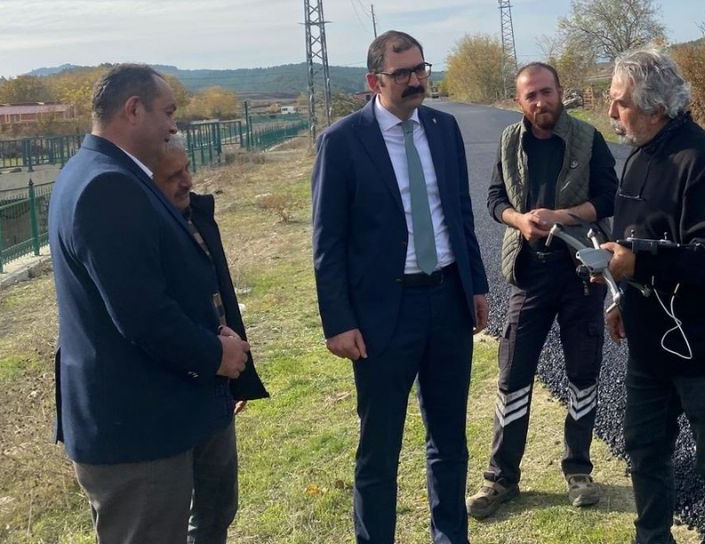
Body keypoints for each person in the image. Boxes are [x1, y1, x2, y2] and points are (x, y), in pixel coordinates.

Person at [49, 64, 251, 544]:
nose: (173, 126)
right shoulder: (107, 186)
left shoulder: (109, 174)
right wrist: (215, 354)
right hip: (137, 429)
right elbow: (141, 313)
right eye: (168, 112)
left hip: (165, 412)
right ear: (133, 110)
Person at [311, 30, 490, 544]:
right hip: (383, 313)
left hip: (447, 301)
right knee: (379, 448)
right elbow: (328, 241)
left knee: (450, 439)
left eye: (420, 69)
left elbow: (459, 213)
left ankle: (450, 536)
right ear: (375, 81)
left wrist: (476, 286)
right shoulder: (343, 142)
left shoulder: (443, 128)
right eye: (402, 73)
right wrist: (338, 321)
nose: (415, 80)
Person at [599, 49, 705, 544]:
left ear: (655, 107)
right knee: (644, 449)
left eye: (621, 102)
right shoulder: (638, 155)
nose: (611, 112)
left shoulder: (701, 160)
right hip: (650, 341)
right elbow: (632, 242)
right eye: (611, 99)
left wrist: (639, 265)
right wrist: (618, 294)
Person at [467, 62, 618, 518]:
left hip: (581, 276)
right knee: (513, 374)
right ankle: (501, 478)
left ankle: (578, 470)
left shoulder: (588, 138)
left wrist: (562, 217)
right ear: (519, 101)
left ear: (560, 92)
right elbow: (494, 199)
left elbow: (609, 198)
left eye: (546, 92)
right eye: (530, 95)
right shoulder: (509, 141)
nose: (540, 102)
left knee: (582, 373)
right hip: (529, 274)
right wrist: (520, 220)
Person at [151, 135, 271, 543]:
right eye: (173, 176)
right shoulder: (139, 232)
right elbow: (150, 318)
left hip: (216, 382)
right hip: (172, 393)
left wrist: (235, 376)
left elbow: (222, 299)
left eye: (187, 169)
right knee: (169, 520)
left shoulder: (198, 216)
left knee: (217, 508)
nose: (187, 181)